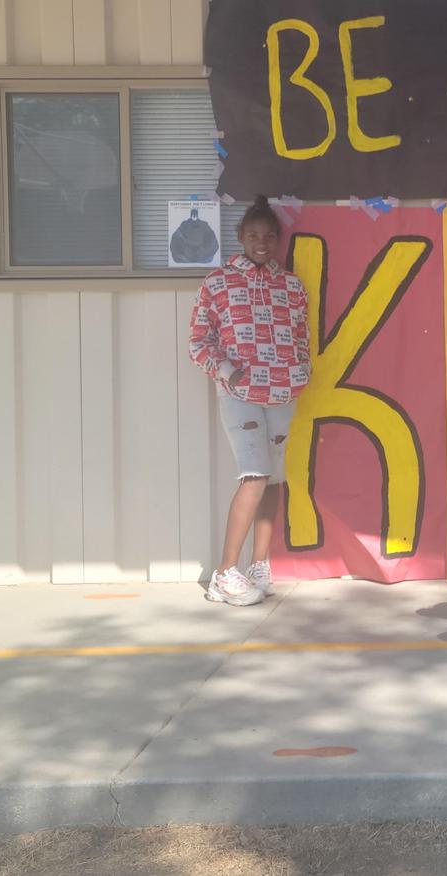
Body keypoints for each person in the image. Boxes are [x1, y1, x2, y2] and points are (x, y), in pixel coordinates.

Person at [187, 196, 310, 607]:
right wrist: (228, 372)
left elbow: (301, 336)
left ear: (277, 240)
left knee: (274, 479)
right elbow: (198, 342)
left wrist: (299, 371)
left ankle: (259, 564)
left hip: (283, 393)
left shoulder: (291, 285)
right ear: (241, 237)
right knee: (254, 475)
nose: (262, 243)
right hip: (240, 395)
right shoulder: (218, 283)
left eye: (269, 236)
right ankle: (224, 574)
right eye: (253, 235)